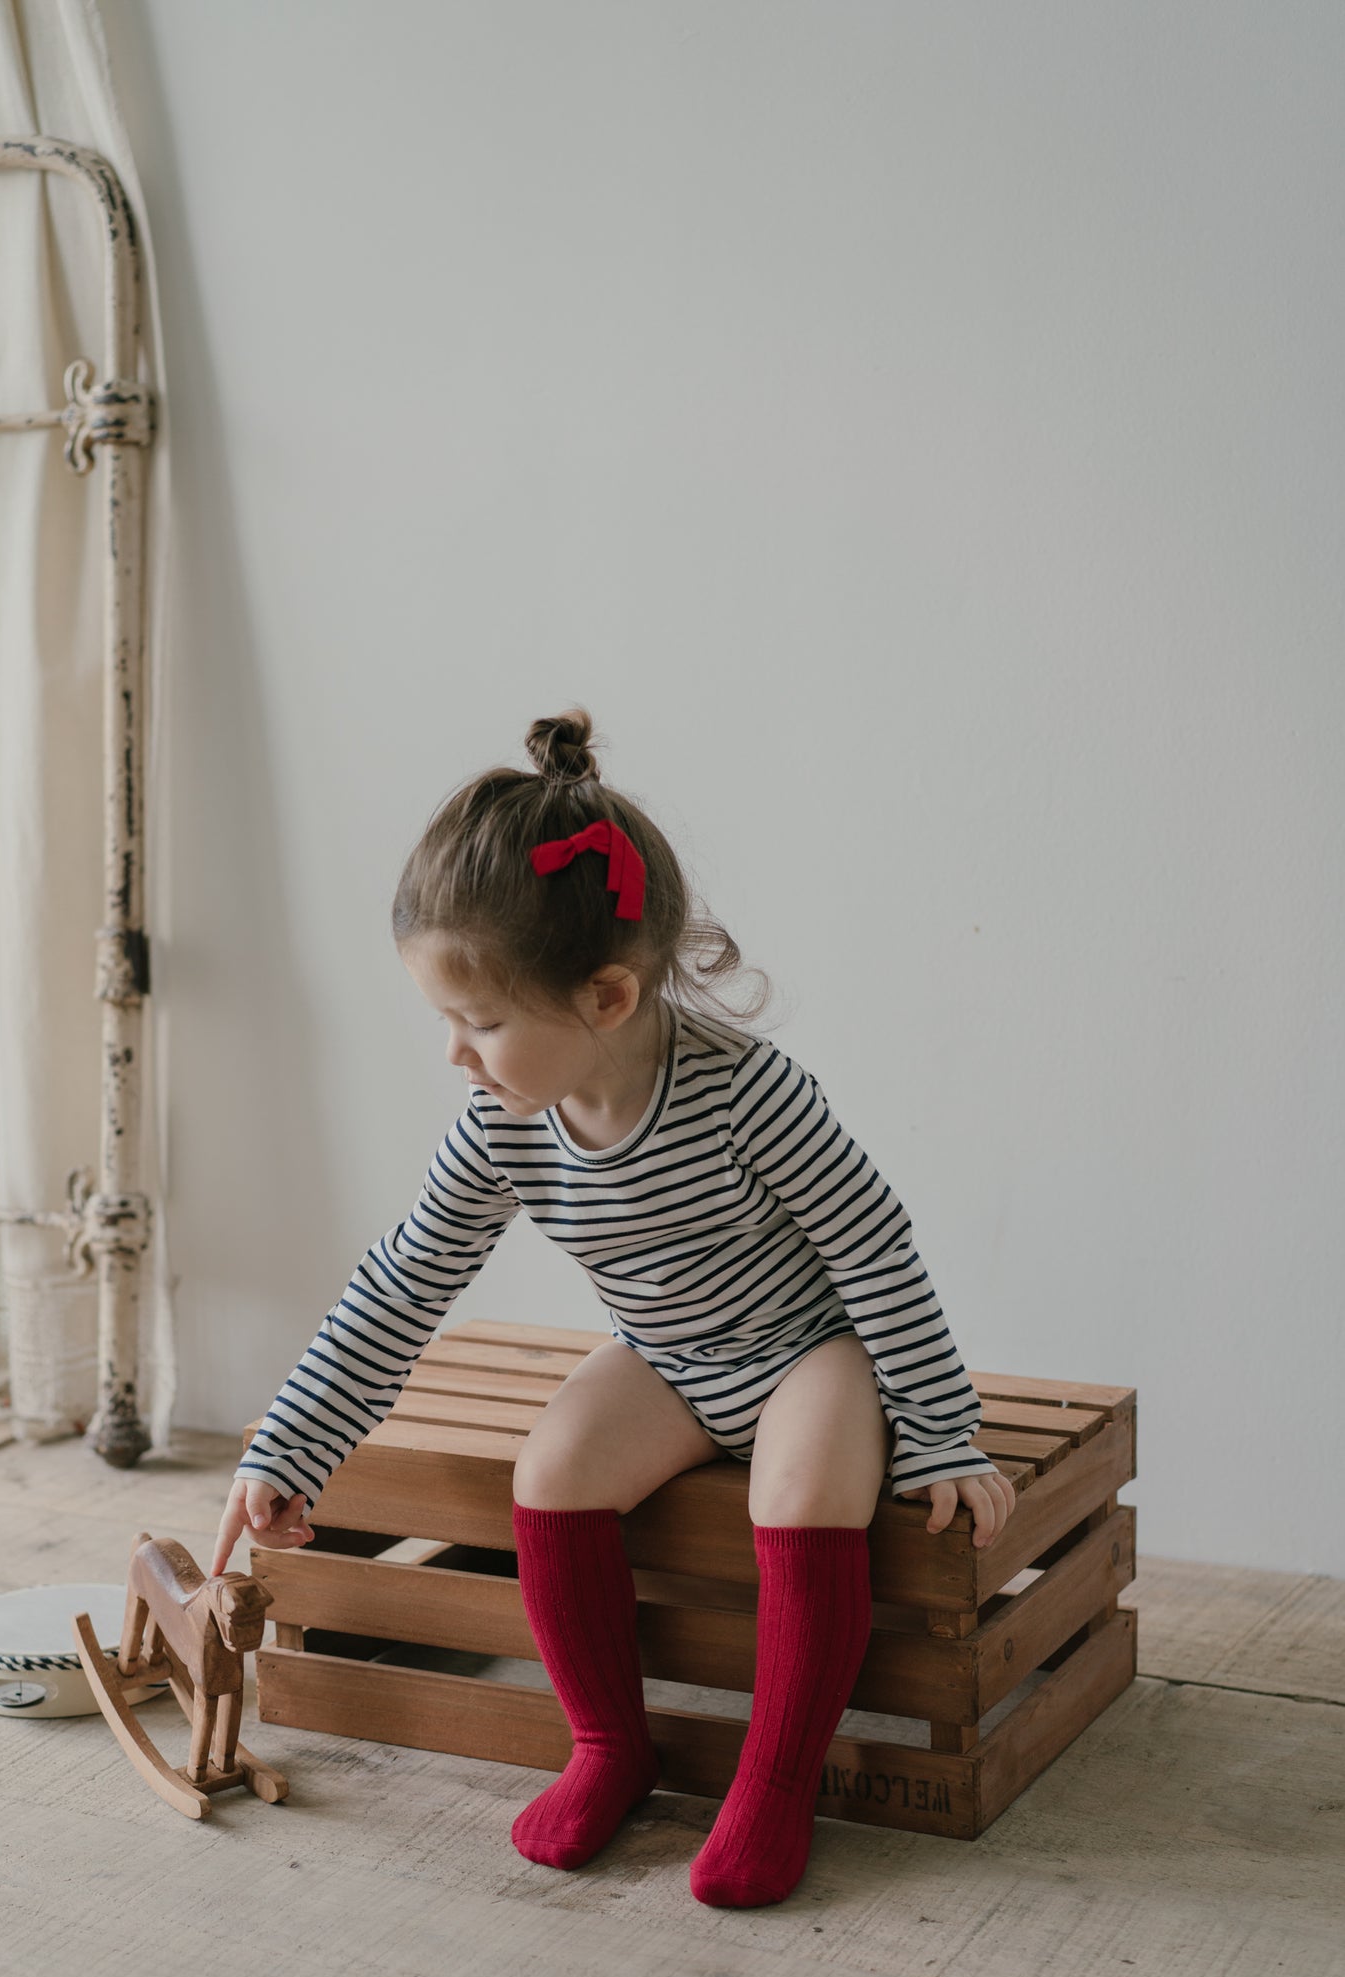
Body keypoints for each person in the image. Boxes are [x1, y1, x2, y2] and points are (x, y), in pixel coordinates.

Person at [211, 708, 1014, 1907]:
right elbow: (403, 1278)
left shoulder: (743, 1093)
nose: (455, 1057)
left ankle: (775, 1779)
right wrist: (291, 1445)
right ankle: (608, 1745)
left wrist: (940, 1428)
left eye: (478, 1024)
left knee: (795, 1492)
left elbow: (871, 1242)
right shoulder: (500, 1122)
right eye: (444, 1023)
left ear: (604, 997)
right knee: (552, 1472)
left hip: (807, 1352)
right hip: (672, 1354)